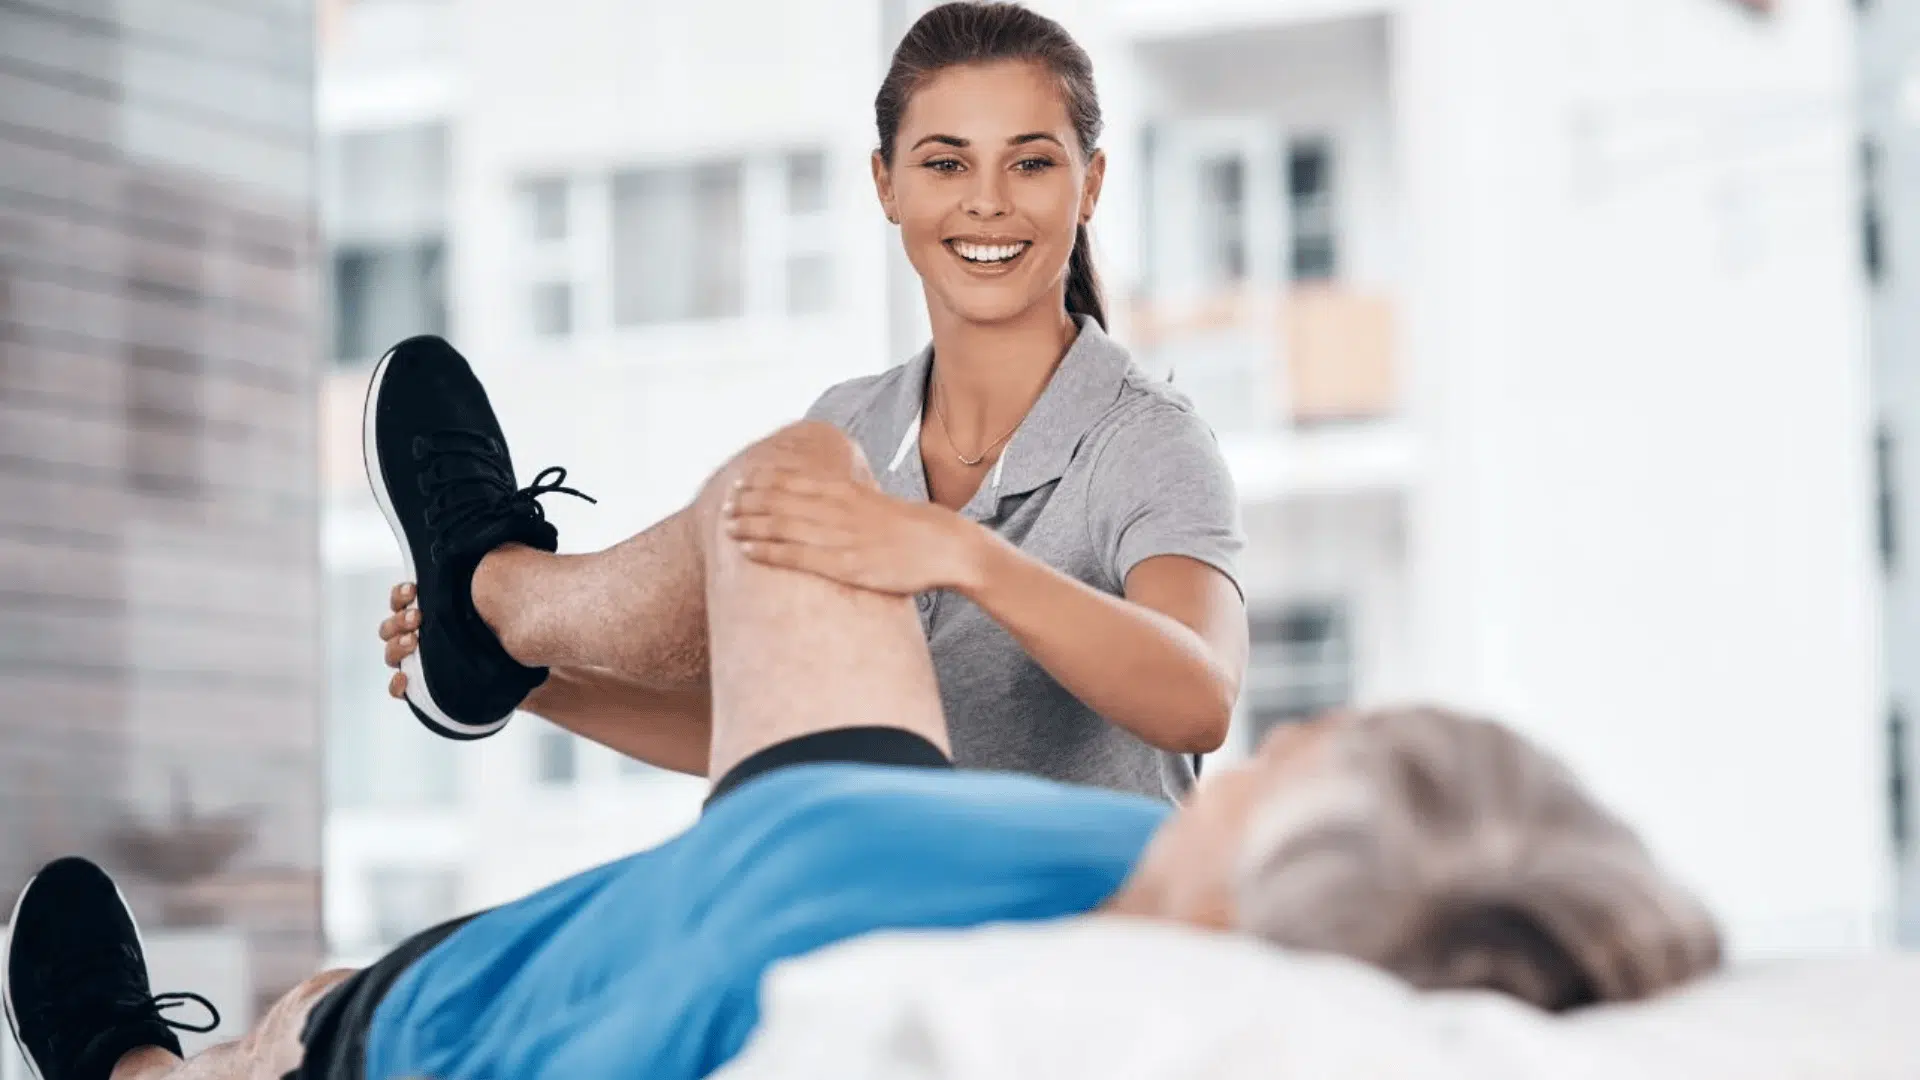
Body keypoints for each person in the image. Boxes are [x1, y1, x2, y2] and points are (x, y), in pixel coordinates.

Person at [3, 389, 1721, 1080]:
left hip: (440, 1026)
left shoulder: (873, 1029)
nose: (1274, 746)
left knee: (268, 1048)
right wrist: (558, 674)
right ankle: (499, 607)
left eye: (1286, 779)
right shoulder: (1137, 852)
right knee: (798, 491)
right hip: (849, 827)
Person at [373, 0, 1248, 802]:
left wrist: (959, 553)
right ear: (886, 186)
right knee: (819, 458)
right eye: (946, 163)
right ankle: (488, 631)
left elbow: (1199, 699)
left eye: (1031, 163)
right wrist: (529, 687)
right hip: (873, 926)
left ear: (1088, 186)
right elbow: (778, 728)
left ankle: (496, 585)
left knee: (808, 469)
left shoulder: (1147, 441)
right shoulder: (856, 421)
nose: (988, 200)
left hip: (1067, 939)